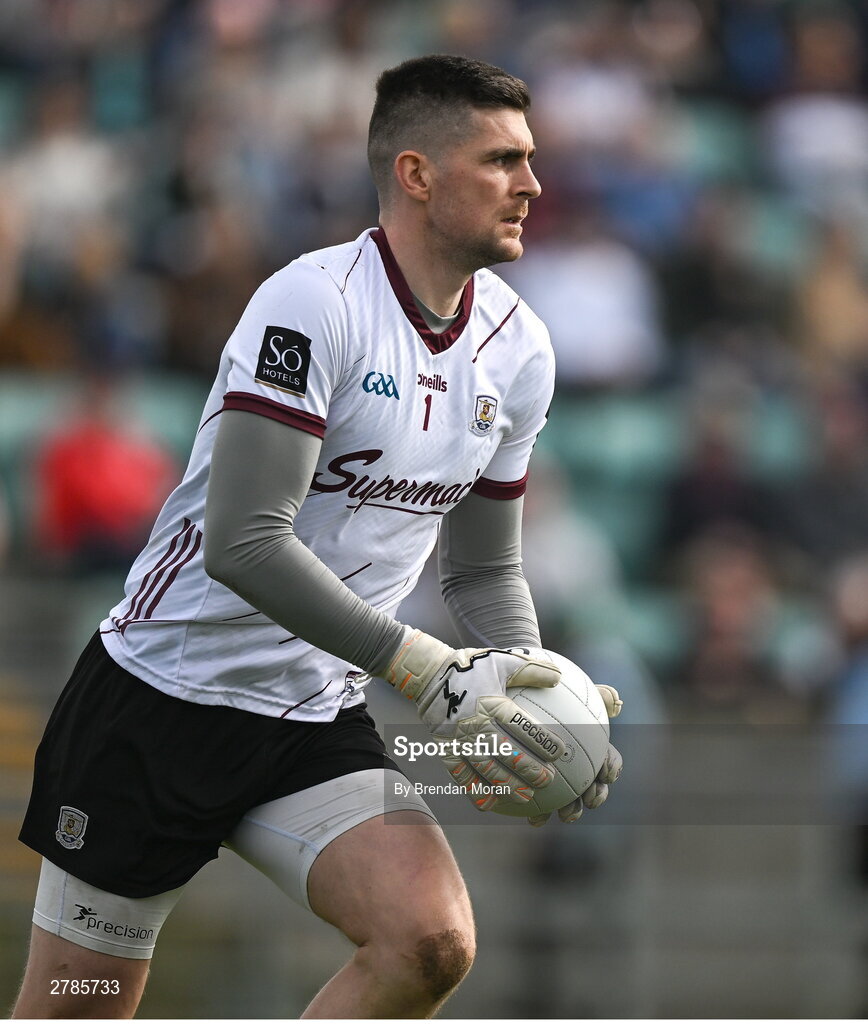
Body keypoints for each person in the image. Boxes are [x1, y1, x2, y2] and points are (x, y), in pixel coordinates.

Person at [12, 54, 622, 1019]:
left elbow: (484, 568)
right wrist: (428, 672)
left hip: (311, 719)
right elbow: (244, 544)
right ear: (417, 174)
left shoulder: (519, 347)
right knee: (75, 1007)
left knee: (429, 943)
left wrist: (529, 697)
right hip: (161, 703)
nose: (533, 185)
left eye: (531, 159)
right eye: (503, 160)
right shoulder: (313, 304)